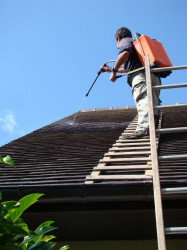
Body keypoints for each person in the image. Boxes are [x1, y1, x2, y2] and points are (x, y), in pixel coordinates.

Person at [101, 27, 161, 139]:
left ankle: (144, 129)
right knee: (154, 100)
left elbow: (124, 54)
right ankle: (153, 126)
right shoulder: (137, 44)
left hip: (141, 77)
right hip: (155, 76)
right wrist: (110, 69)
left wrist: (113, 72)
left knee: (143, 98)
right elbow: (127, 67)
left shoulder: (125, 40)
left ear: (118, 38)